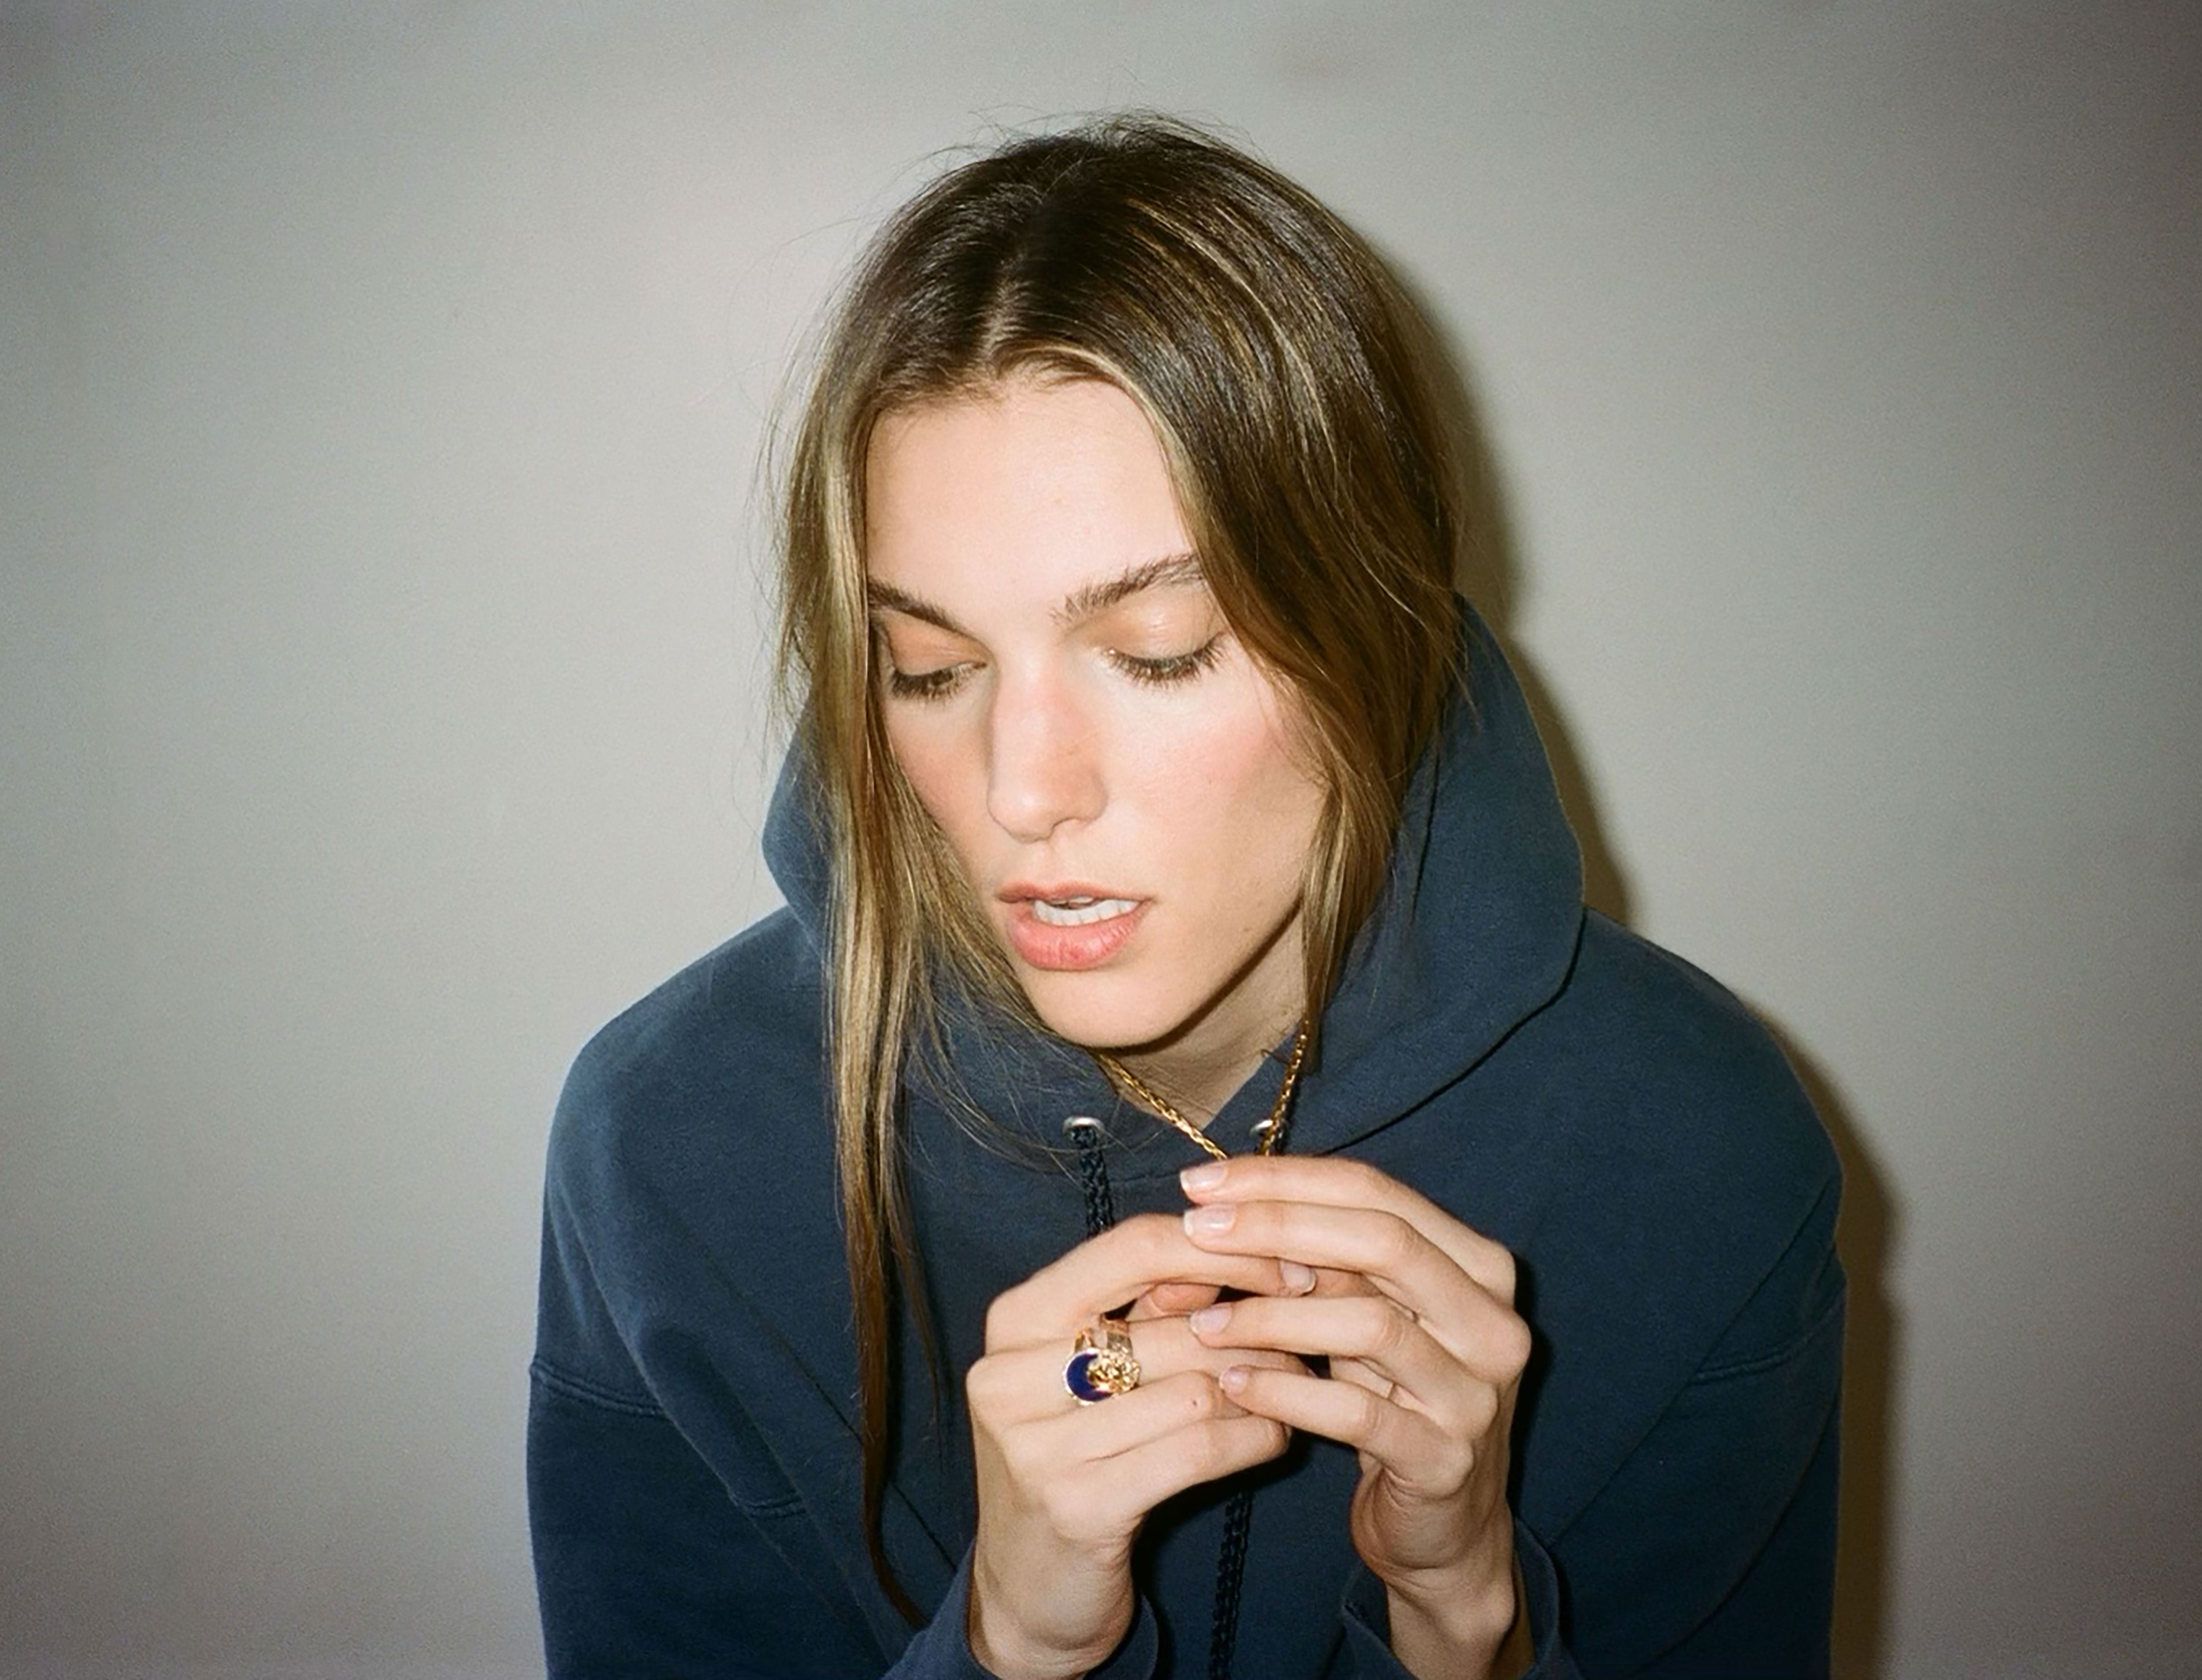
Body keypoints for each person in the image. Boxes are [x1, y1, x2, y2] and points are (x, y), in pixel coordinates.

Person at [527, 115, 1844, 1680]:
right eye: (929, 668)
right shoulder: (670, 1147)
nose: (1024, 790)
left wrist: (1466, 1625)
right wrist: (1008, 1646)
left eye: (1159, 655)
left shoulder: (1695, 1148)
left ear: (1374, 641)